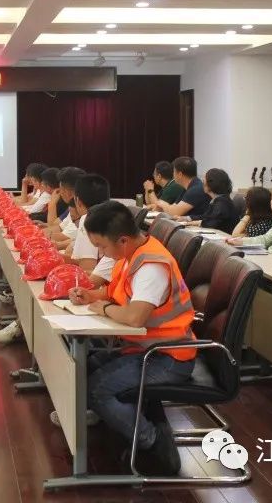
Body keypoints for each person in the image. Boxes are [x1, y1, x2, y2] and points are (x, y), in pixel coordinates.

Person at [65, 201, 195, 475]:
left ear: (122, 240)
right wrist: (92, 296)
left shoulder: (151, 266)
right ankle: (118, 422)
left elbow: (135, 317)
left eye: (102, 246)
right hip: (145, 347)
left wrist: (103, 308)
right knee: (88, 364)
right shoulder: (130, 255)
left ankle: (153, 441)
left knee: (97, 390)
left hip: (168, 357)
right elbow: (118, 293)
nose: (101, 253)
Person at [187, 168, 240, 232]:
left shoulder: (222, 203)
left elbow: (211, 224)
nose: (202, 182)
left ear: (211, 184)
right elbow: (206, 217)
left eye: (204, 179)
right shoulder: (220, 199)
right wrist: (188, 218)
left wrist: (193, 223)